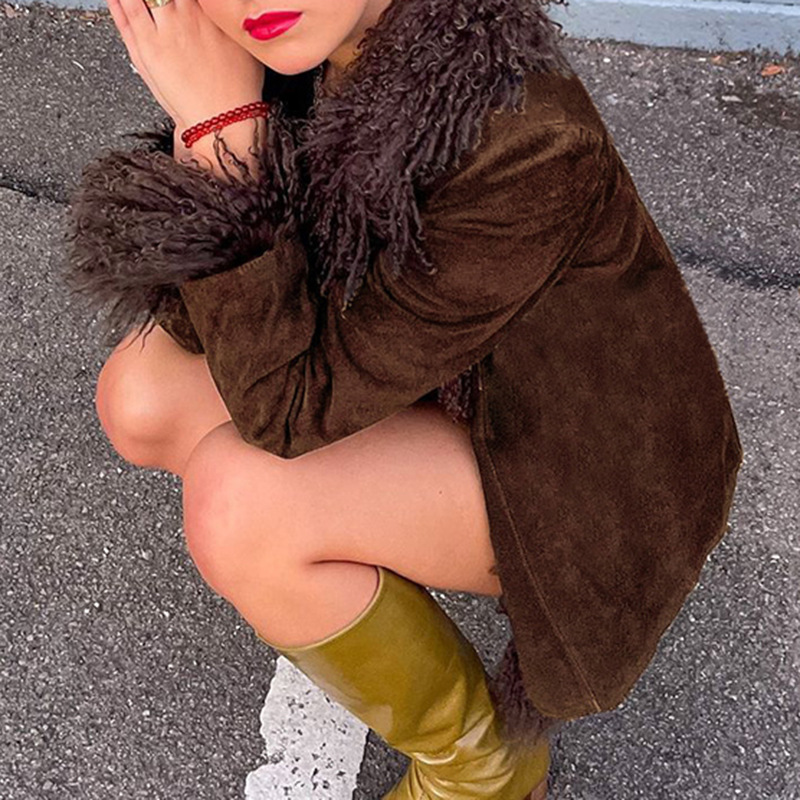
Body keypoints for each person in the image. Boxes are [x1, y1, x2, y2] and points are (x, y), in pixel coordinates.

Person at [64, 0, 744, 797]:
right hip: (450, 378)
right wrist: (212, 132)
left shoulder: (525, 142)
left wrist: (224, 138)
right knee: (142, 396)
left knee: (240, 508)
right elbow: (210, 323)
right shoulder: (322, 48)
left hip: (586, 473)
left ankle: (484, 767)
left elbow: (284, 409)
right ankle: (348, 587)